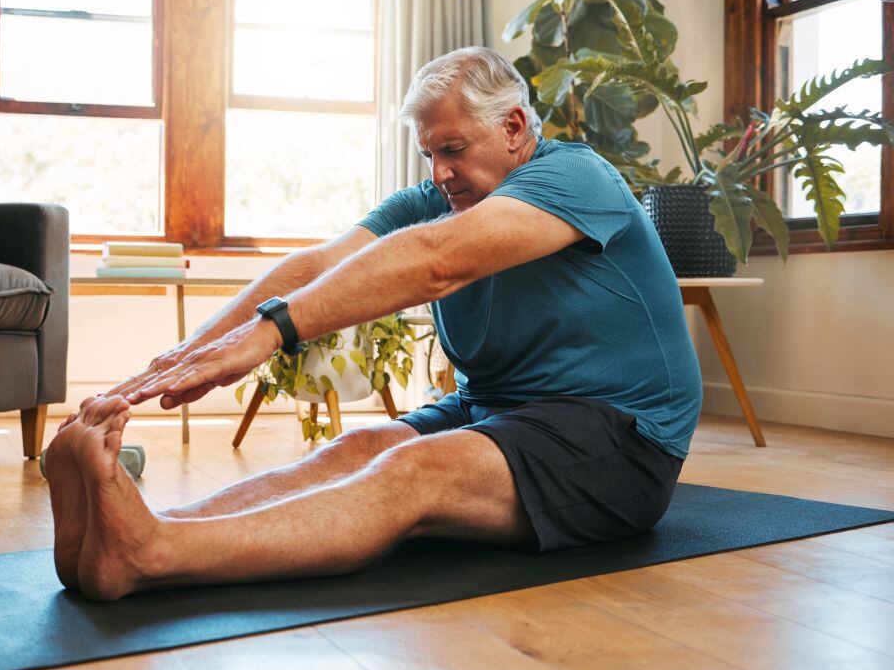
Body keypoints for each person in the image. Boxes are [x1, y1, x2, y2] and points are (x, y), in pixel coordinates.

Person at [46, 46, 702, 601]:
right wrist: (186, 354)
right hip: (499, 408)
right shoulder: (437, 197)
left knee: (411, 470)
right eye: (430, 154)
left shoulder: (577, 177)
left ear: (513, 127)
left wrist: (269, 334)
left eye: (454, 149)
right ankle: (140, 528)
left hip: (623, 437)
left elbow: (435, 262)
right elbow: (322, 264)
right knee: (355, 450)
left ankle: (151, 554)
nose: (441, 172)